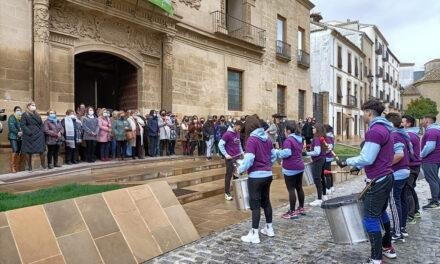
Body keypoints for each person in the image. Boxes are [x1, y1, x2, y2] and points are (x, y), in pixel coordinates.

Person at [337, 99, 395, 264]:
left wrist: (347, 161)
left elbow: (367, 158)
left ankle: (376, 259)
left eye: (363, 112)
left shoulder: (375, 131)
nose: (362, 115)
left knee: (370, 218)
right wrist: (357, 163)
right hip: (386, 176)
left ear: (369, 112)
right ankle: (387, 247)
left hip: (379, 180)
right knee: (381, 213)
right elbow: (377, 157)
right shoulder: (386, 128)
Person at [238, 115, 277, 244]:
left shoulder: (252, 140)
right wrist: (267, 166)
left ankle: (254, 234)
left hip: (256, 176)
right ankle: (269, 228)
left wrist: (240, 169)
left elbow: (249, 159)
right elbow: (273, 156)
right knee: (266, 201)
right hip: (267, 174)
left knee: (255, 205)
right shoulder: (267, 139)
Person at [385, 113, 411, 242]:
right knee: (401, 201)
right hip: (404, 171)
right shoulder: (401, 134)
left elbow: (399, 154)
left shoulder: (394, 135)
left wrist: (385, 164)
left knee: (394, 203)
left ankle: (397, 233)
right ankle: (401, 227)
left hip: (397, 173)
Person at [277, 121, 306, 219]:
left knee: (291, 189)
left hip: (290, 168)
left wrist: (277, 152)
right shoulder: (300, 139)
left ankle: (292, 211)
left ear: (288, 131)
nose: (284, 132)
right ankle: (301, 207)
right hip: (300, 166)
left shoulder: (288, 140)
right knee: (299, 187)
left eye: (285, 130)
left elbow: (287, 153)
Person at [401, 114, 422, 223]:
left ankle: (410, 215)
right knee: (411, 189)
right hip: (415, 166)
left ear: (408, 123)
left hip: (411, 166)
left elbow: (407, 153)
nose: (401, 123)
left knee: (407, 191)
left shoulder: (409, 135)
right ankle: (416, 211)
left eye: (403, 121)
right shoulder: (413, 134)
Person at [218, 121, 243, 201]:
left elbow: (239, 144)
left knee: (237, 175)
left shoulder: (237, 133)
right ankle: (227, 193)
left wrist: (241, 152)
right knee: (228, 175)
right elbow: (220, 144)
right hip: (230, 158)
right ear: (235, 126)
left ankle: (237, 192)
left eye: (240, 129)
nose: (239, 130)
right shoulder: (227, 134)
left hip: (237, 157)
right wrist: (226, 154)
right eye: (239, 128)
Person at [420, 115, 440, 209]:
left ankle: (435, 201)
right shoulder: (436, 129)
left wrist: (420, 155)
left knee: (432, 180)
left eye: (423, 119)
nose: (421, 121)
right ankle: (437, 197)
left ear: (427, 120)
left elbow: (430, 146)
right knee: (435, 179)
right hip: (436, 158)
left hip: (431, 159)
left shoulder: (431, 131)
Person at [306, 123, 328, 206]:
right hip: (323, 159)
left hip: (318, 160)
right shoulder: (321, 137)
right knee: (322, 177)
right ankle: (324, 195)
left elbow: (316, 152)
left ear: (317, 129)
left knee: (317, 179)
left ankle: (319, 199)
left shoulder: (316, 138)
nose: (312, 129)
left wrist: (306, 153)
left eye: (314, 128)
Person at [20, 102, 46, 171]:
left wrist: (41, 132)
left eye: (34, 105)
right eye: (32, 105)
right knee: (28, 151)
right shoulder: (25, 115)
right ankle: (30, 167)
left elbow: (41, 124)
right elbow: (23, 125)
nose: (34, 106)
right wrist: (29, 132)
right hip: (29, 136)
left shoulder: (37, 115)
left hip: (39, 135)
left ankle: (43, 166)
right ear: (28, 106)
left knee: (42, 151)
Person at [8, 106, 23, 173]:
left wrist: (23, 131)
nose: (18, 111)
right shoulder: (11, 117)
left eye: (19, 110)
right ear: (14, 111)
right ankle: (13, 167)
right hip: (13, 137)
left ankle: (18, 166)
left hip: (20, 137)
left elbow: (24, 125)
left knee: (20, 151)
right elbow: (11, 127)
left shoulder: (21, 118)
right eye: (17, 110)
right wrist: (18, 132)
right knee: (15, 150)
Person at [324, 125, 335, 194]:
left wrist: (323, 151)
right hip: (330, 156)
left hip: (327, 157)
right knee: (329, 172)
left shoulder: (327, 137)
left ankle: (328, 188)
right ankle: (331, 186)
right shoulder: (331, 137)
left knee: (327, 173)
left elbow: (329, 148)